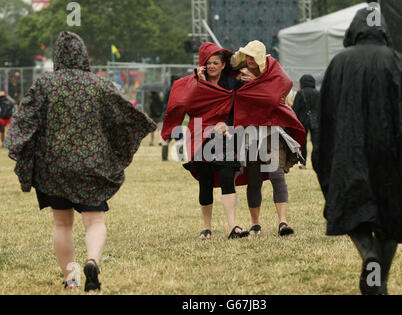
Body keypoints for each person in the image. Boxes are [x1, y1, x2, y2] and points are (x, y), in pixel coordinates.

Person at [4, 31, 156, 291]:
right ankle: (92, 260)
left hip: (53, 167)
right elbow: (127, 115)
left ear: (57, 56)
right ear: (83, 55)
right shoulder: (100, 85)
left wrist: (19, 148)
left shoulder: (44, 84)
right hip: (92, 165)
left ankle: (70, 279)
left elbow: (24, 121)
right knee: (94, 220)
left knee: (62, 223)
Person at [312, 8, 402, 295]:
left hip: (348, 152)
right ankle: (381, 280)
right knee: (393, 217)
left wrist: (324, 154)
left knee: (353, 211)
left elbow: (324, 115)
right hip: (391, 154)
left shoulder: (339, 63)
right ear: (384, 31)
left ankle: (368, 254)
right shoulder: (397, 61)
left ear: (354, 30)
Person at [161, 42, 250, 240]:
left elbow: (240, 109)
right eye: (208, 63)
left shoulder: (233, 85)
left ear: (223, 65)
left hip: (225, 135)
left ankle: (233, 226)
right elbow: (184, 105)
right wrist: (200, 85)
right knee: (206, 180)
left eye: (215, 63)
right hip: (200, 134)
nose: (211, 66)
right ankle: (207, 228)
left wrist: (227, 124)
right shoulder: (194, 84)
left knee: (227, 175)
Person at [231, 40, 306, 237]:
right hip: (251, 131)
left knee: (276, 174)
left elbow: (275, 95)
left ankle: (283, 222)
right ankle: (255, 224)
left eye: (253, 56)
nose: (249, 60)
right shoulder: (241, 74)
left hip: (272, 130)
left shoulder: (273, 71)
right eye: (247, 56)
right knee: (254, 178)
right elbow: (236, 95)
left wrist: (254, 84)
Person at [292, 74, 320, 169]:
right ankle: (317, 162)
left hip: (302, 121)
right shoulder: (317, 93)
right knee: (316, 143)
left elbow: (295, 109)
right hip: (315, 121)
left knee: (303, 143)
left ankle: (303, 163)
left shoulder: (300, 93)